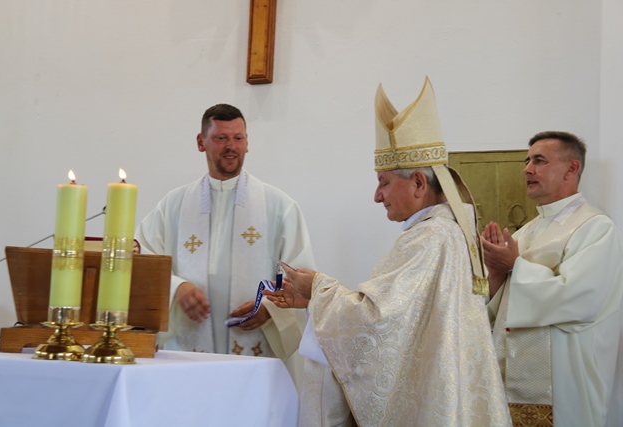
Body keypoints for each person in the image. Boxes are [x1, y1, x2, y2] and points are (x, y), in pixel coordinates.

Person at [265, 77, 511, 427]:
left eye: (384, 182)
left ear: (419, 183)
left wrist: (318, 288)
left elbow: (376, 323)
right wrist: (315, 296)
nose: (377, 196)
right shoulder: (449, 232)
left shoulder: (429, 238)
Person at [135, 104, 315, 386]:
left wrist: (270, 309)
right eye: (221, 138)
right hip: (187, 350)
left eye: (238, 138)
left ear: (247, 144)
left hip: (255, 349)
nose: (231, 146)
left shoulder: (279, 206)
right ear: (201, 142)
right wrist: (176, 288)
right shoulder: (174, 205)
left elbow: (300, 274)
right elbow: (143, 259)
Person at [482, 131, 623, 427]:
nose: (527, 169)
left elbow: (581, 299)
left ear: (572, 168)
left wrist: (515, 266)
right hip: (513, 369)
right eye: (527, 161)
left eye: (539, 161)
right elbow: (503, 306)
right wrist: (496, 273)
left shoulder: (595, 227)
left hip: (565, 379)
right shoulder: (527, 231)